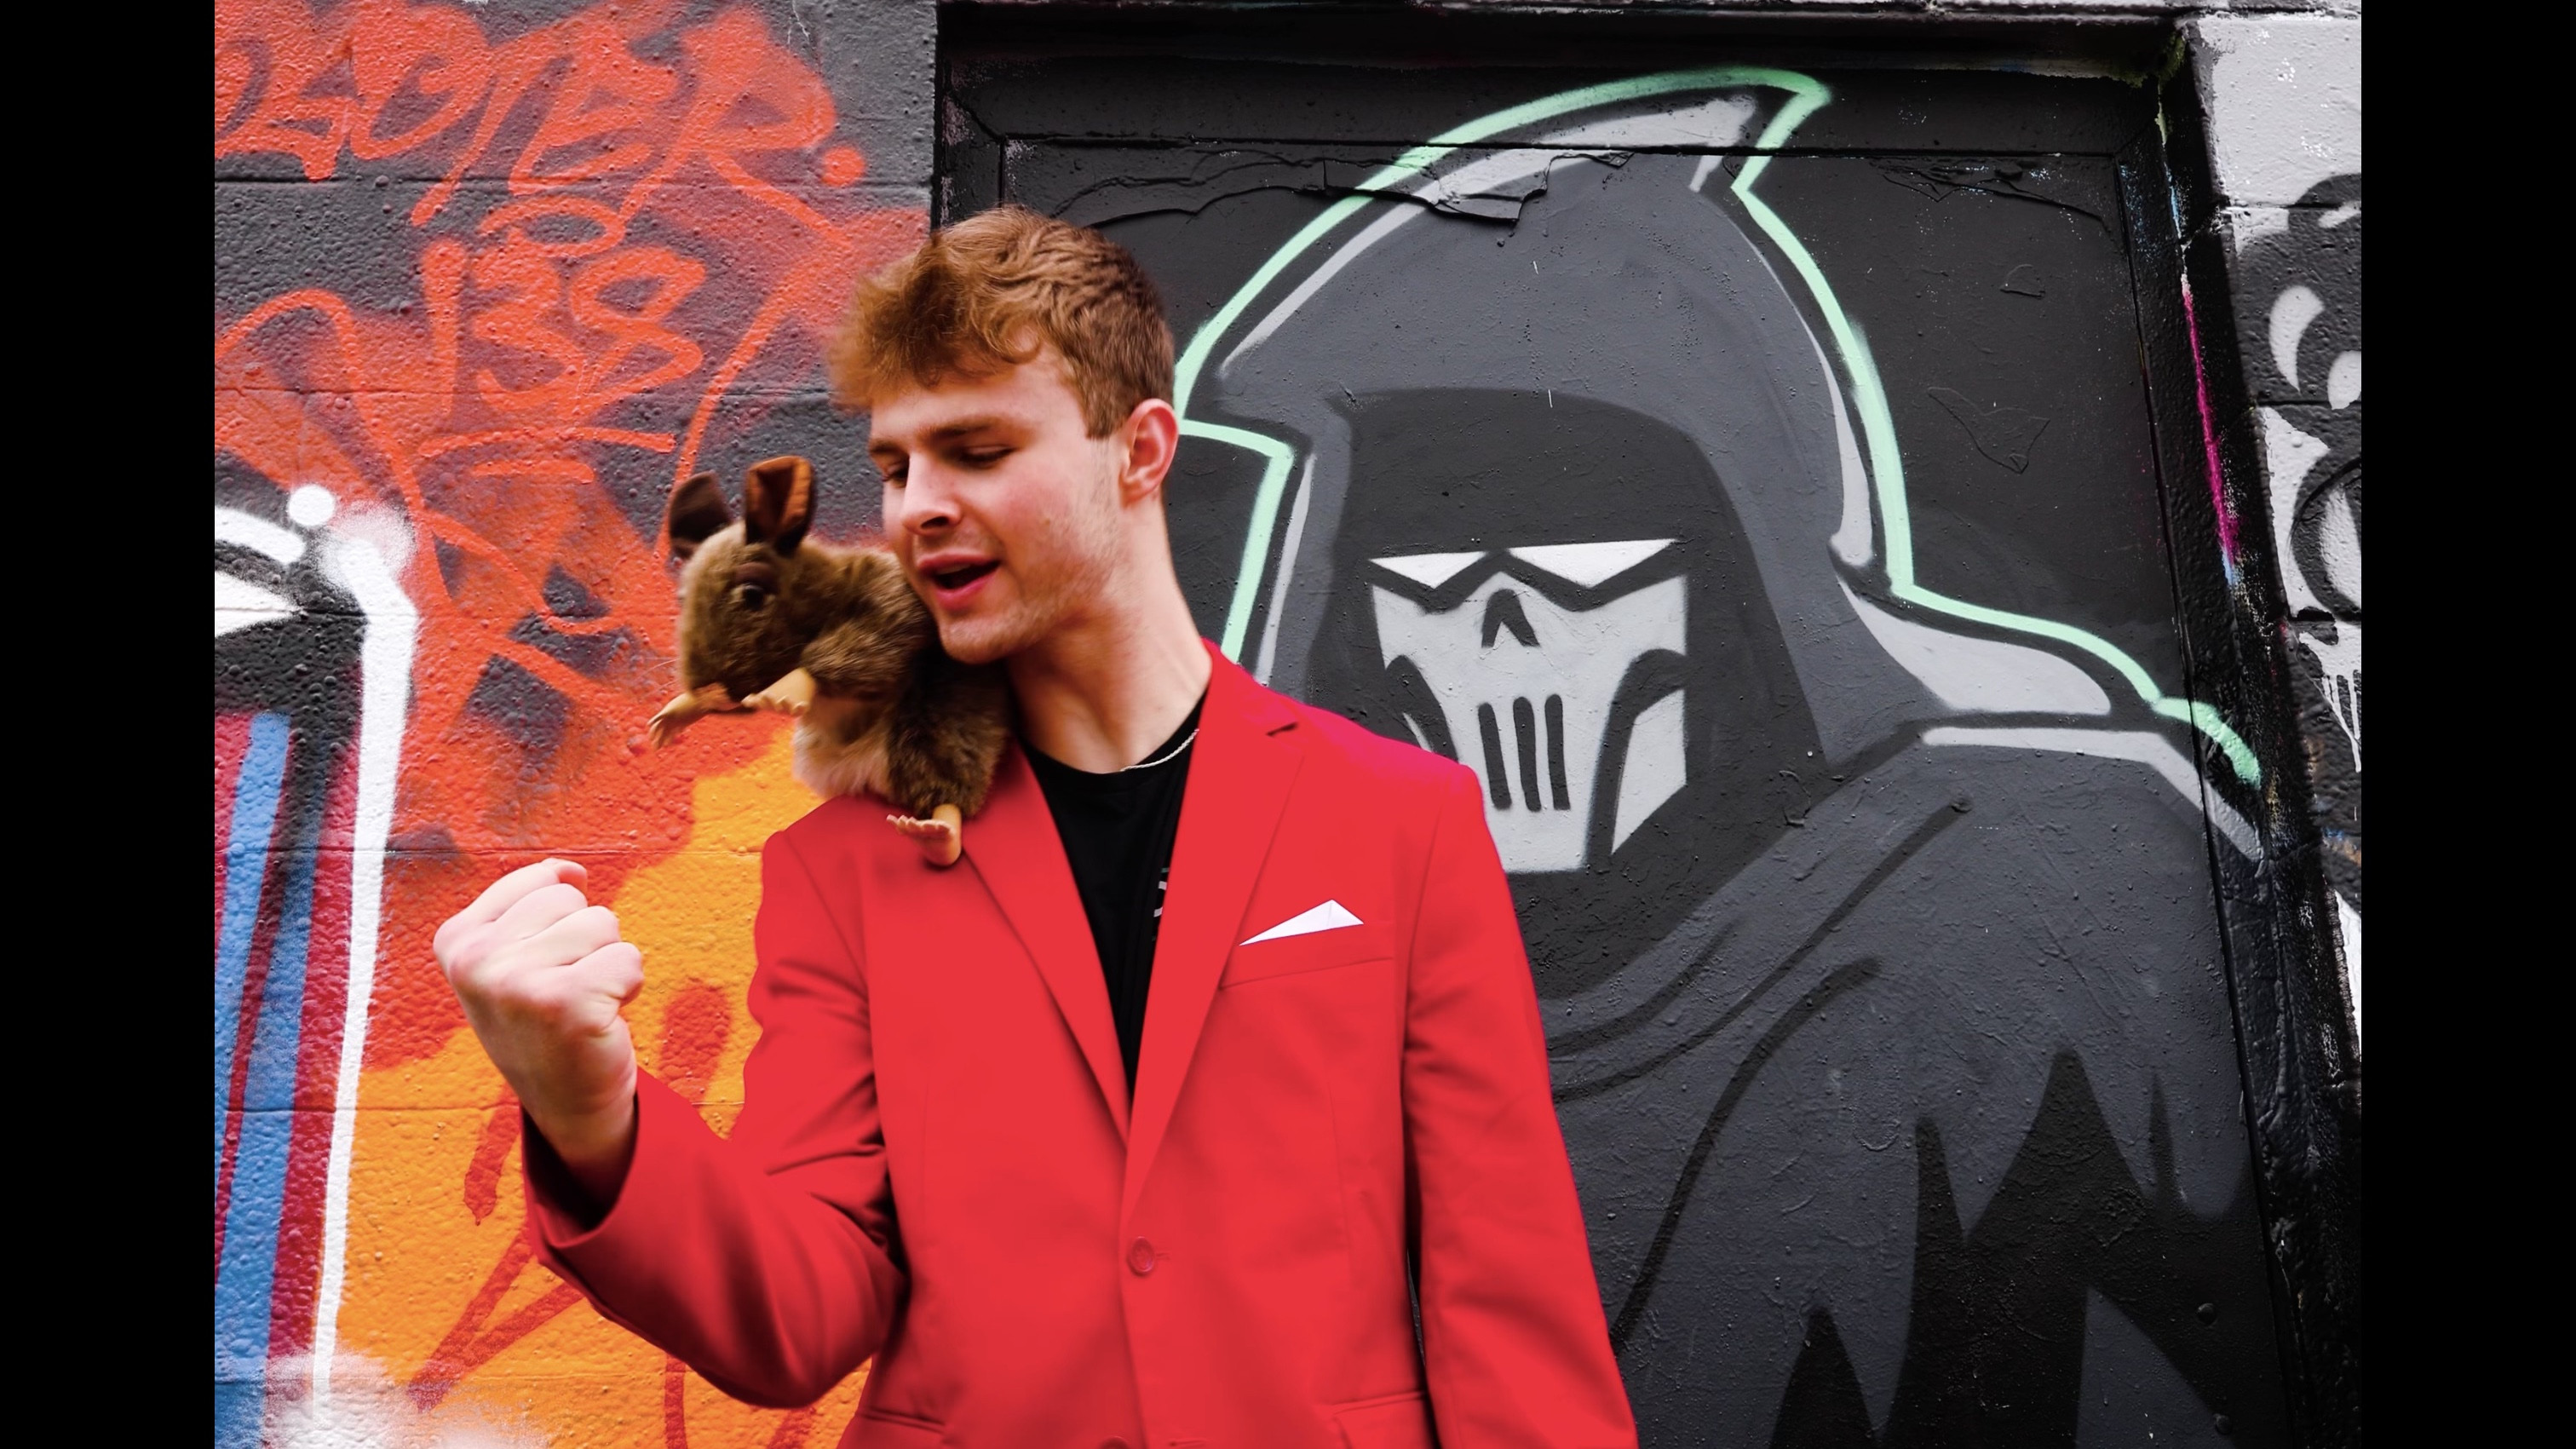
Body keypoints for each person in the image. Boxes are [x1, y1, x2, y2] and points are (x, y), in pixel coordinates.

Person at [434, 205, 1636, 1449]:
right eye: (896, 466)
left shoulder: (1399, 820)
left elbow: (1510, 1298)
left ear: (1141, 451)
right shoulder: (846, 866)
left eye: (977, 449)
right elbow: (799, 1318)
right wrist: (595, 1117)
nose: (918, 507)